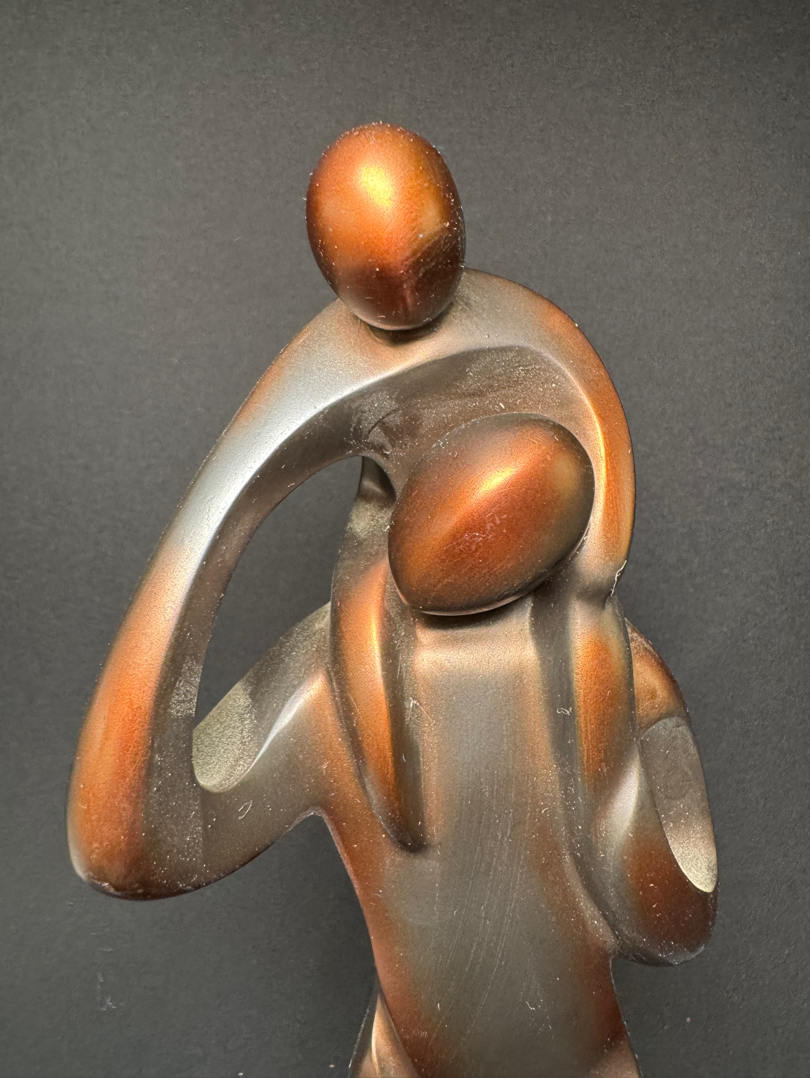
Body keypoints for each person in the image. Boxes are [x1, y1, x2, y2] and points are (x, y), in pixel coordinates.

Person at [69, 124, 717, 1078]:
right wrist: (229, 492)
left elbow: (124, 844)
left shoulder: (340, 689)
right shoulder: (579, 675)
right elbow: (675, 920)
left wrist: (219, 509)